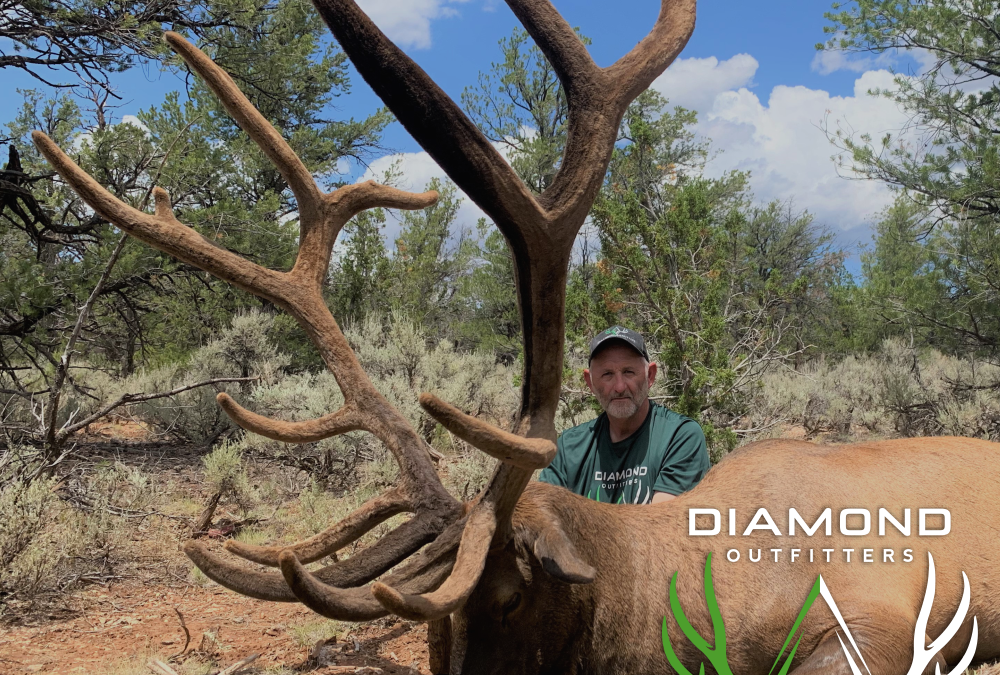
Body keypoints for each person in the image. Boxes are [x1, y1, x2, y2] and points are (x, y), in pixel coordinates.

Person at [539, 326, 710, 504]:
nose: (620, 387)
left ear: (650, 376)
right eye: (607, 374)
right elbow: (542, 513)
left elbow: (662, 519)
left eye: (629, 372)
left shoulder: (679, 436)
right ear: (590, 383)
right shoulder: (568, 448)